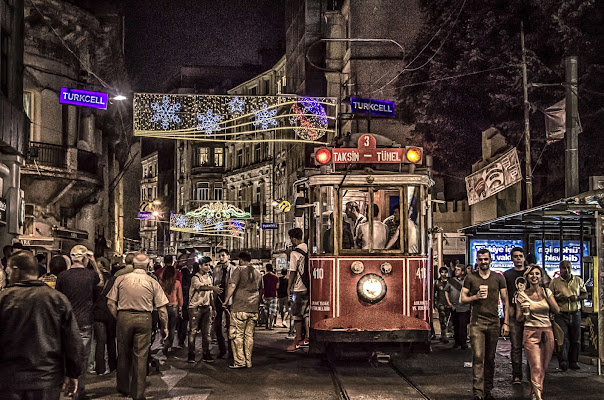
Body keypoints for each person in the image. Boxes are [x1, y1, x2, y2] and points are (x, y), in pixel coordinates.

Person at [0, 250, 84, 399]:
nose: (7, 276)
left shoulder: (4, 299)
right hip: (47, 379)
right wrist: (72, 373)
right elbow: (73, 341)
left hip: (9, 379)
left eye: (8, 272)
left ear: (16, 270)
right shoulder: (56, 299)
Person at [106, 253, 169, 400]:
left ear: (133, 264)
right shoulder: (152, 281)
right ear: (148, 266)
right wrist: (164, 327)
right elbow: (162, 309)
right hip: (144, 318)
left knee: (122, 352)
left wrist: (120, 317)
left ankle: (123, 387)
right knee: (141, 356)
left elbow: (110, 303)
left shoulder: (121, 279)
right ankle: (138, 393)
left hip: (124, 317)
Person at [55, 245, 104, 400]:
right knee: (82, 357)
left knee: (65, 355)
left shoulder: (62, 276)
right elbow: (101, 283)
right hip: (84, 321)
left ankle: (65, 386)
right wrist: (94, 262)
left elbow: (58, 298)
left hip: (66, 322)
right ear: (85, 258)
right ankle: (79, 391)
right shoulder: (91, 275)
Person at [460, 248, 509, 400]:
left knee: (490, 358)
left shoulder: (498, 278)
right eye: (480, 259)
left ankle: (488, 391)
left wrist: (505, 322)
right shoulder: (470, 277)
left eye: (486, 259)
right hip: (477, 323)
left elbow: (506, 301)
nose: (483, 262)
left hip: (494, 322)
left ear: (490, 260)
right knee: (478, 357)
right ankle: (478, 393)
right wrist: (475, 296)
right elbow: (462, 299)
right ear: (477, 260)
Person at [515, 265, 559, 400]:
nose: (534, 276)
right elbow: (518, 318)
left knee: (544, 366)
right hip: (530, 331)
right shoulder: (521, 295)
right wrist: (523, 310)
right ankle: (538, 397)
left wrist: (549, 299)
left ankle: (534, 392)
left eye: (537, 274)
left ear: (541, 276)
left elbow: (557, 310)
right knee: (536, 366)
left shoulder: (547, 292)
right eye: (531, 274)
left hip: (547, 331)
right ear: (527, 277)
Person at [224, 251, 263, 368]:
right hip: (253, 308)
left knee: (237, 335)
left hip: (240, 307)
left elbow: (232, 286)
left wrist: (226, 300)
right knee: (249, 336)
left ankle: (240, 361)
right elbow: (261, 290)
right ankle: (249, 361)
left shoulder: (239, 270)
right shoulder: (257, 272)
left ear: (241, 259)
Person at [549, 259, 587, 371]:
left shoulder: (578, 281)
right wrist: (559, 298)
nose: (566, 270)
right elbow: (549, 297)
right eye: (564, 268)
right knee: (562, 339)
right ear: (560, 269)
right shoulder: (554, 282)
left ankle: (573, 361)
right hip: (561, 313)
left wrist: (577, 298)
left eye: (568, 268)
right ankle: (563, 361)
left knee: (575, 338)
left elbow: (585, 294)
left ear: (571, 268)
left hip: (575, 313)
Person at [503, 246, 528, 384]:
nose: (518, 258)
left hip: (530, 315)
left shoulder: (530, 272)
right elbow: (505, 296)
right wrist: (507, 313)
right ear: (512, 258)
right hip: (514, 314)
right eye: (515, 256)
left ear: (524, 257)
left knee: (531, 346)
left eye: (520, 256)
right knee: (516, 346)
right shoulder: (507, 275)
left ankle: (532, 374)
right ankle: (517, 375)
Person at [187, 256, 219, 363]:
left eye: (209, 265)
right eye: (206, 265)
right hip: (195, 308)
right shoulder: (195, 277)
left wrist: (213, 308)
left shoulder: (209, 277)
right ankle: (191, 354)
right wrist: (213, 288)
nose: (208, 267)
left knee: (206, 333)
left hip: (206, 308)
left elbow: (210, 295)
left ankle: (206, 353)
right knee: (193, 331)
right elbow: (200, 287)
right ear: (200, 266)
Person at [286, 227, 310, 352]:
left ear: (294, 239)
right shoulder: (309, 248)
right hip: (309, 286)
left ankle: (298, 339)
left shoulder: (295, 252)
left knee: (297, 314)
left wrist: (289, 287)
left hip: (299, 287)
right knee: (307, 312)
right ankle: (307, 337)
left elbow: (292, 272)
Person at [92, 261, 117, 375]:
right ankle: (113, 366)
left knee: (100, 342)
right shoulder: (113, 280)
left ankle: (100, 368)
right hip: (110, 313)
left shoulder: (94, 281)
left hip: (98, 313)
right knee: (111, 340)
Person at [213, 249, 234, 359]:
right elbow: (214, 284)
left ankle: (231, 351)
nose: (221, 258)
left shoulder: (234, 269)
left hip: (229, 301)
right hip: (218, 300)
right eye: (219, 256)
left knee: (230, 327)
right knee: (217, 326)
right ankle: (222, 349)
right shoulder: (217, 269)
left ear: (228, 257)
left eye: (223, 256)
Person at [159, 264, 183, 357]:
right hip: (173, 306)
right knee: (172, 328)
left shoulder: (161, 282)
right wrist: (180, 307)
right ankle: (169, 346)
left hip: (163, 306)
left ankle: (164, 341)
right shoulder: (177, 283)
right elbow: (180, 296)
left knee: (163, 326)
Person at [445, 264, 470, 349]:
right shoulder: (452, 281)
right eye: (455, 269)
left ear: (463, 272)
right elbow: (446, 291)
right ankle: (457, 342)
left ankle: (463, 342)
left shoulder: (467, 281)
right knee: (455, 325)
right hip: (454, 307)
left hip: (464, 307)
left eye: (458, 270)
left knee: (462, 325)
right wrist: (449, 302)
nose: (456, 271)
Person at [434, 266, 451, 343]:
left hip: (449, 303)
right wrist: (434, 304)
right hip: (440, 303)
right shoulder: (437, 282)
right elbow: (434, 293)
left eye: (445, 272)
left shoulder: (450, 281)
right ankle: (444, 335)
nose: (444, 274)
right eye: (442, 272)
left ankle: (447, 334)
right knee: (442, 320)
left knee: (449, 320)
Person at [262, 263, 279, 330]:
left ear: (266, 268)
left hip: (266, 295)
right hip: (273, 295)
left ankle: (266, 324)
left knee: (266, 310)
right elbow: (277, 287)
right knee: (272, 311)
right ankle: (270, 325)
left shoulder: (263, 277)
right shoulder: (276, 277)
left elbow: (262, 287)